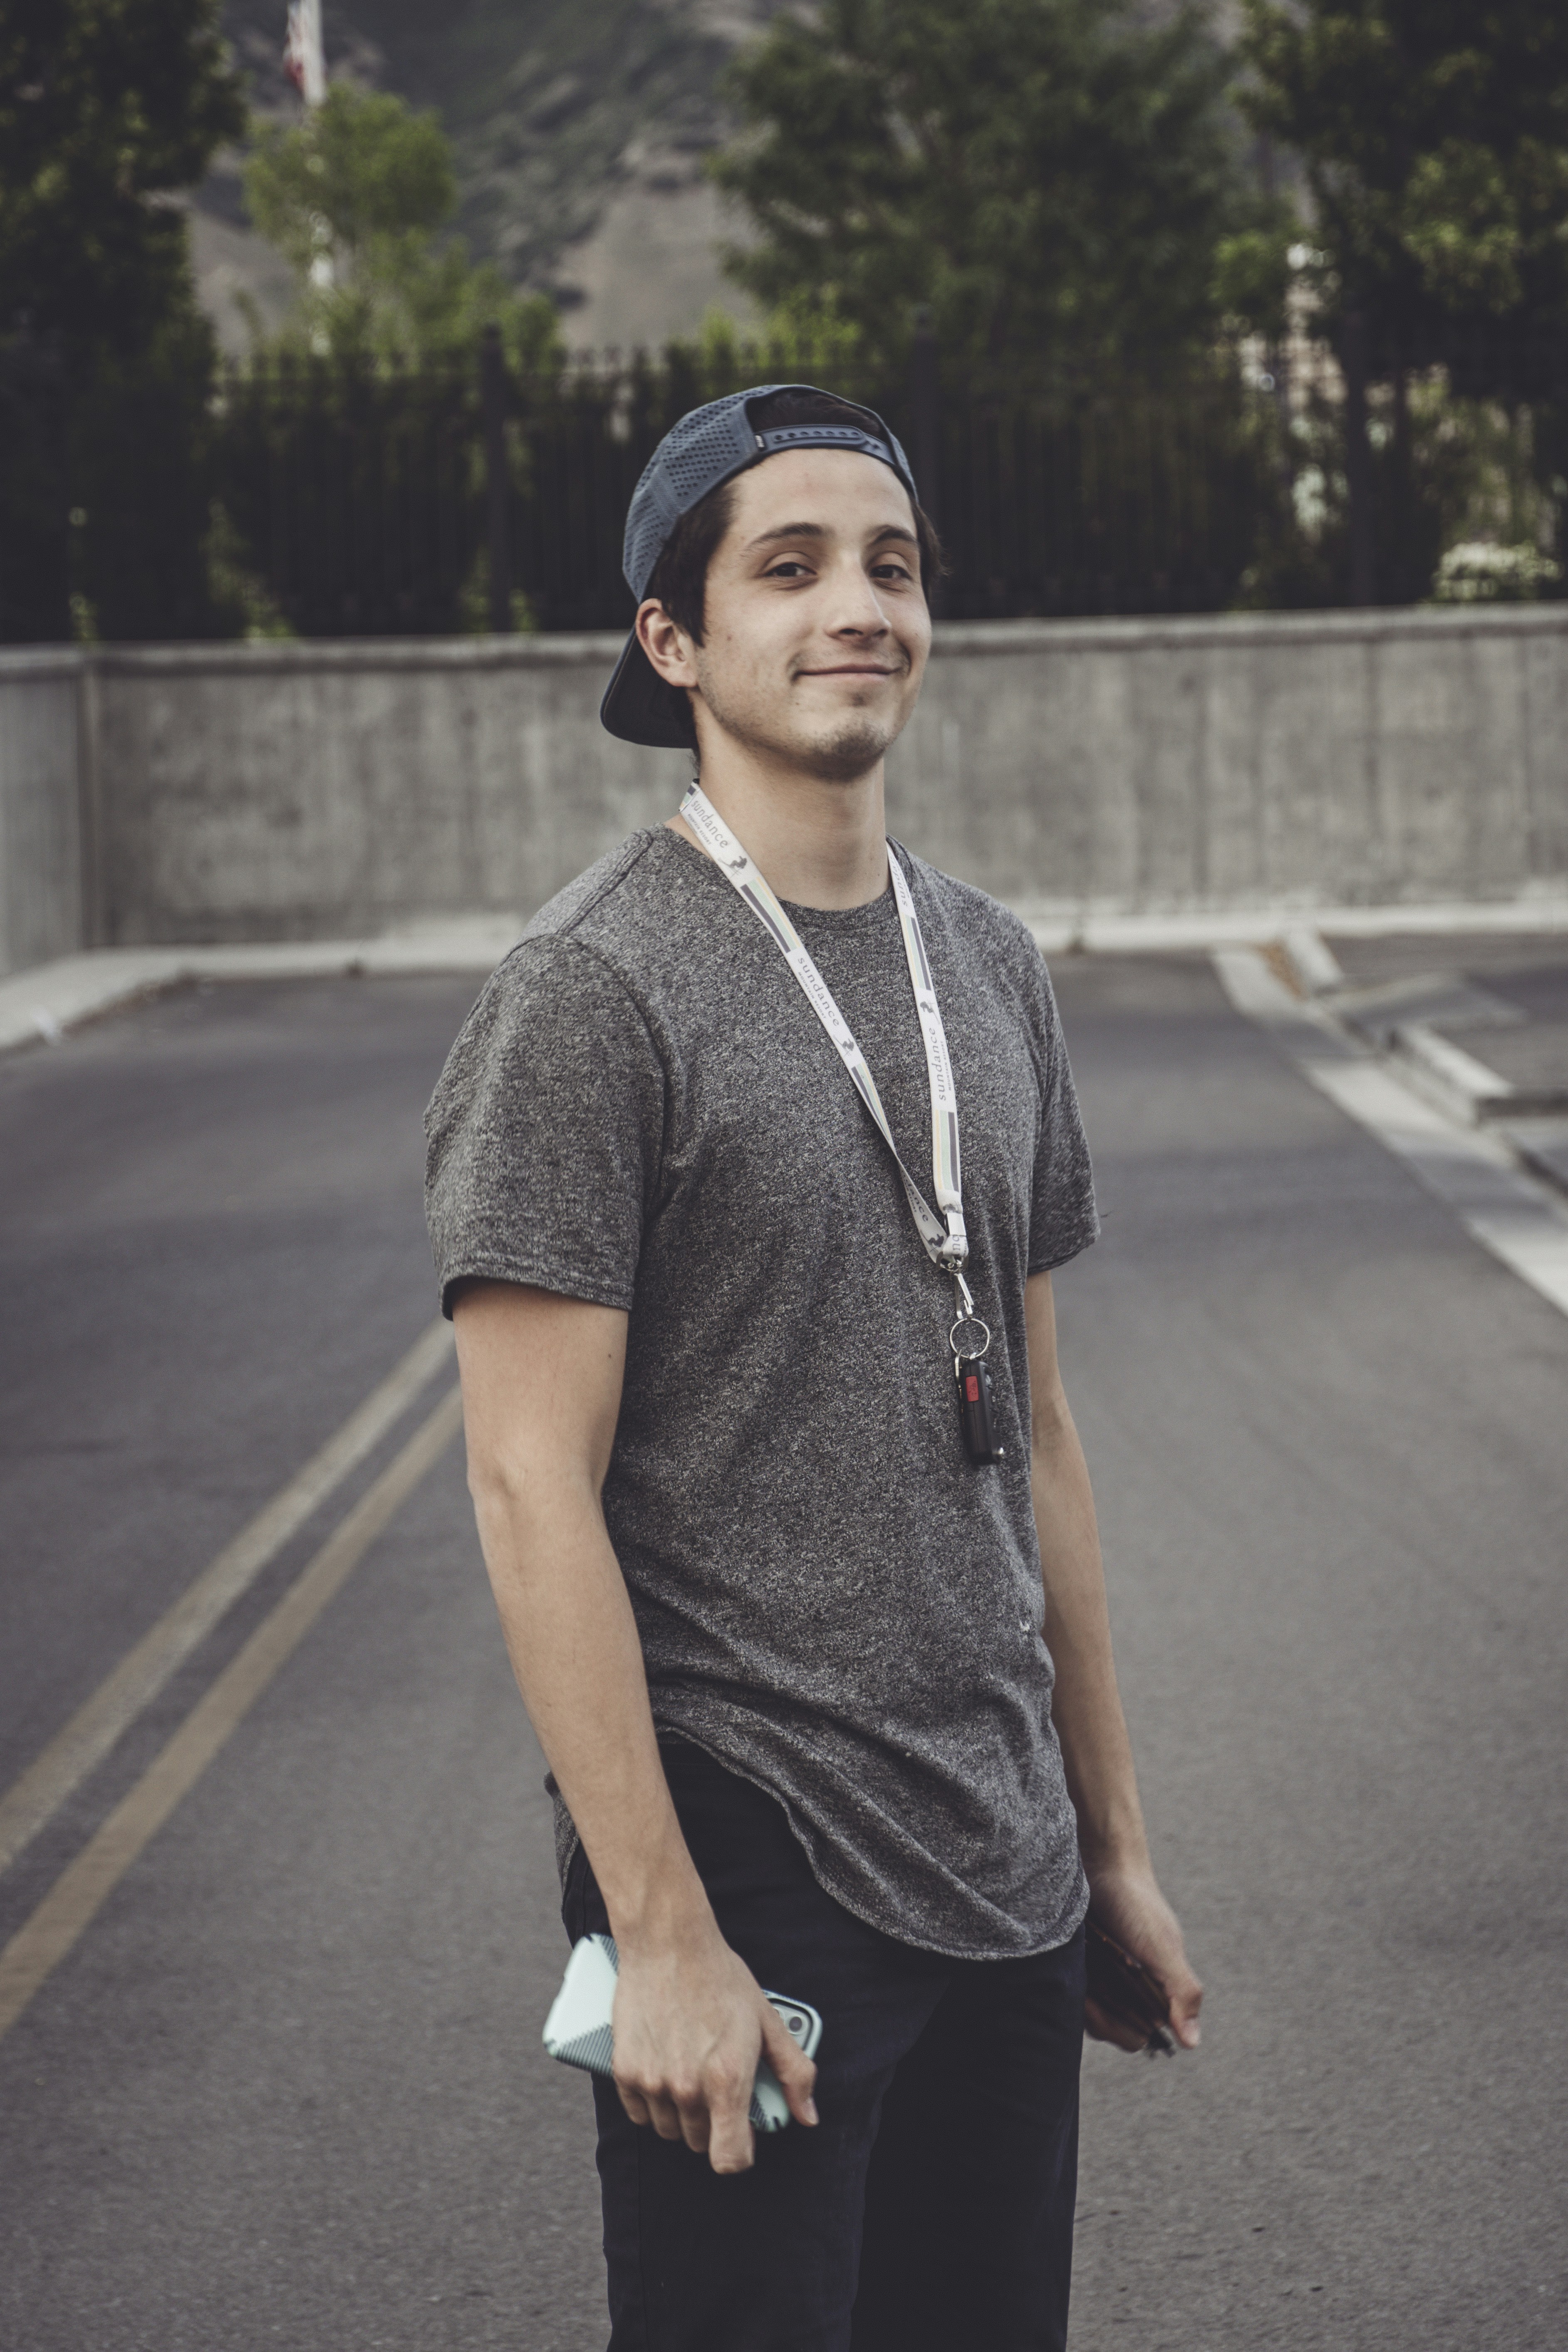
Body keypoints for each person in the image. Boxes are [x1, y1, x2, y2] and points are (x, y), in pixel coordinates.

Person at [424, 382, 1201, 2351]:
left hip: (1007, 1871)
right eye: (789, 566)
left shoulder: (993, 964)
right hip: (754, 1873)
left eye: (891, 564)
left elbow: (1039, 1436)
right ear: (670, 642)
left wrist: (1108, 1848)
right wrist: (661, 1932)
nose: (858, 603)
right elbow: (529, 1485)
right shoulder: (591, 995)